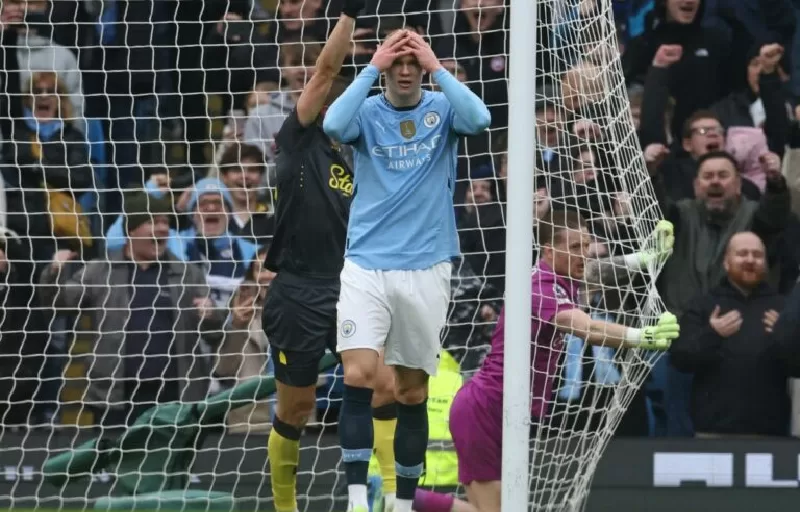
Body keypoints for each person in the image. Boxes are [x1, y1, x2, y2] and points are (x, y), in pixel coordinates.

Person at [322, 29, 492, 512]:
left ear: (421, 70)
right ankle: (358, 498)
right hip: (366, 264)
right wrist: (372, 65)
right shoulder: (368, 112)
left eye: (410, 64)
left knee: (411, 390)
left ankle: (400, 502)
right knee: (357, 373)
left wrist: (436, 65)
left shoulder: (443, 111)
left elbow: (480, 118)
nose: (403, 70)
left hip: (426, 267)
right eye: (396, 64)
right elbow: (333, 125)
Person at [413, 210, 680, 512]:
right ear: (550, 250)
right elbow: (588, 328)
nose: (586, 253)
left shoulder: (559, 276)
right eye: (577, 247)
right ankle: (404, 500)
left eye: (587, 245)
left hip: (504, 411)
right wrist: (642, 335)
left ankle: (409, 501)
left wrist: (642, 258)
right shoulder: (542, 289)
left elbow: (596, 270)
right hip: (485, 409)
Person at [256, 3, 397, 512]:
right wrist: (350, 17)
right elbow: (325, 71)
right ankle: (285, 505)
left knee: (384, 385)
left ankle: (387, 495)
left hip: (352, 287)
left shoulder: (366, 159)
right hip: (297, 289)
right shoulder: (299, 140)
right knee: (298, 407)